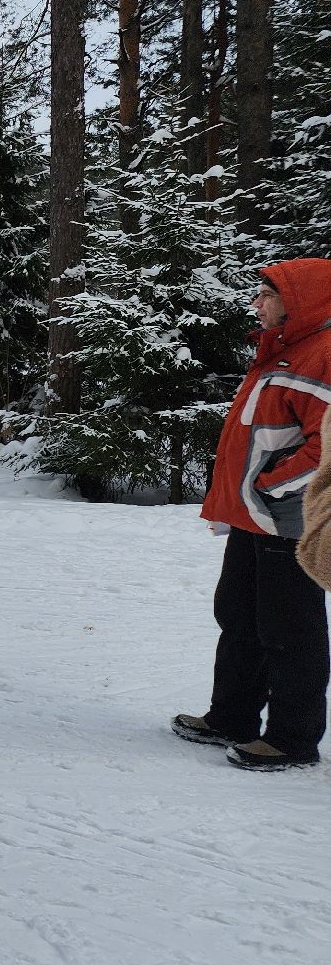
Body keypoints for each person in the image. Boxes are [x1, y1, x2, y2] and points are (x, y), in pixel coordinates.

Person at [175, 259, 331, 772]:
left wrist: (268, 490)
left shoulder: (324, 355)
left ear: (301, 301)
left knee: (290, 629)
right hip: (253, 517)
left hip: (289, 521)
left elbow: (324, 448)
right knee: (238, 615)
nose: (256, 304)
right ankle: (232, 716)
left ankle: (292, 739)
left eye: (267, 295)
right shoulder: (281, 353)